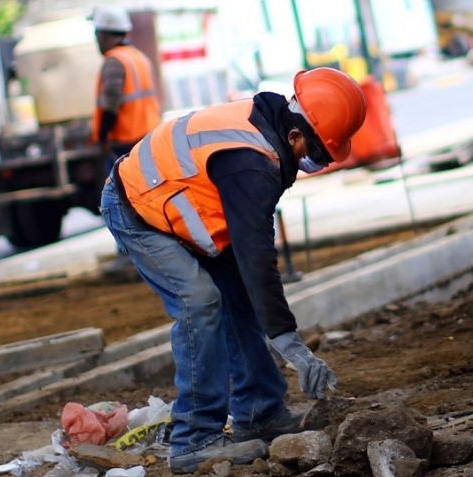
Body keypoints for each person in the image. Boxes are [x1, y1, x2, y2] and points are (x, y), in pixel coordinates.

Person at [99, 67, 367, 473]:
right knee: (200, 302)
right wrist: (291, 345)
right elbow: (257, 256)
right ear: (296, 135)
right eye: (316, 153)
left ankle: (260, 412)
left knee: (237, 297)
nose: (312, 163)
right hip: (137, 208)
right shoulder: (252, 163)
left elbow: (250, 264)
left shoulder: (266, 130)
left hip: (180, 206)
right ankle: (194, 439)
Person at [91, 5, 161, 173]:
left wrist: (102, 137)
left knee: (121, 195)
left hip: (125, 144)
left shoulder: (115, 61)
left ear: (104, 34)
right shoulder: (138, 57)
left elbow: (110, 103)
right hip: (149, 137)